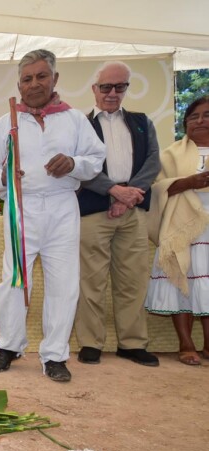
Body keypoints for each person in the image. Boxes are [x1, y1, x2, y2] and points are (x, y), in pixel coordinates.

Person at [0, 49, 106, 382]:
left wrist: (75, 164)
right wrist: (6, 175)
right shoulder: (5, 122)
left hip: (63, 207)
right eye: (27, 78)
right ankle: (9, 346)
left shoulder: (74, 119)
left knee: (63, 283)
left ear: (55, 79)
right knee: (14, 280)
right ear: (19, 84)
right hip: (21, 209)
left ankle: (54, 355)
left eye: (41, 76)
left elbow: (95, 158)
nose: (34, 83)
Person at [75, 62, 161, 367]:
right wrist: (114, 191)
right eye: (106, 87)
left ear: (126, 88)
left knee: (133, 279)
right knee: (91, 280)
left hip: (133, 207)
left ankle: (132, 343)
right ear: (95, 88)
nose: (112, 93)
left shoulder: (141, 122)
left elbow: (153, 160)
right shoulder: (81, 124)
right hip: (94, 208)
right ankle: (90, 343)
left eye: (120, 86)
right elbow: (80, 167)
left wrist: (129, 194)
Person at [145, 96, 209, 365]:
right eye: (193, 117)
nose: (200, 120)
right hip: (181, 228)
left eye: (206, 115)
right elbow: (156, 188)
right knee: (181, 281)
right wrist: (187, 182)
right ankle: (186, 343)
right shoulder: (169, 154)